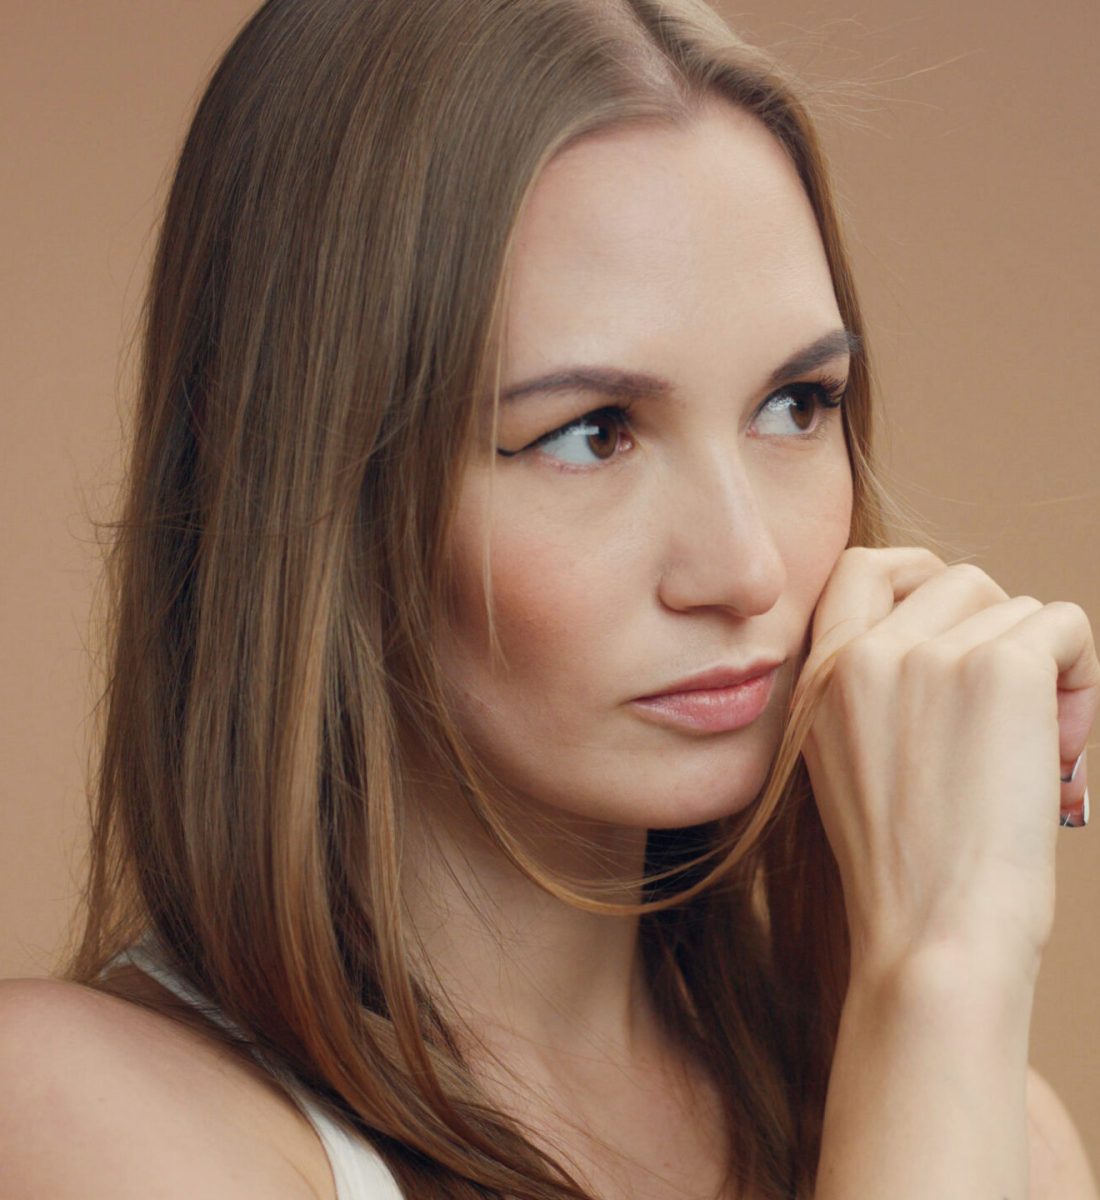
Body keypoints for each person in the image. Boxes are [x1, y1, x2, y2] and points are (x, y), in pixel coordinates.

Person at [0, 0, 1096, 1197]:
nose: (744, 569)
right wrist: (941, 959)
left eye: (794, 405)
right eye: (592, 432)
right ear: (319, 495)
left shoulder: (984, 1118)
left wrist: (935, 1001)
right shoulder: (68, 1114)